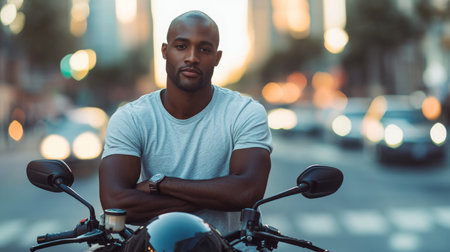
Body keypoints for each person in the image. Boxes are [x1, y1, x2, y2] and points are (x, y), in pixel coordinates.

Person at [99, 10, 272, 235]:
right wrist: (221, 196)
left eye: (204, 49)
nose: (192, 57)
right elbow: (117, 204)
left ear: (217, 58)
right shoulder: (131, 117)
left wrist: (160, 184)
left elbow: (247, 193)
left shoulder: (245, 112)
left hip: (228, 245)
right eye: (181, 46)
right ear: (164, 51)